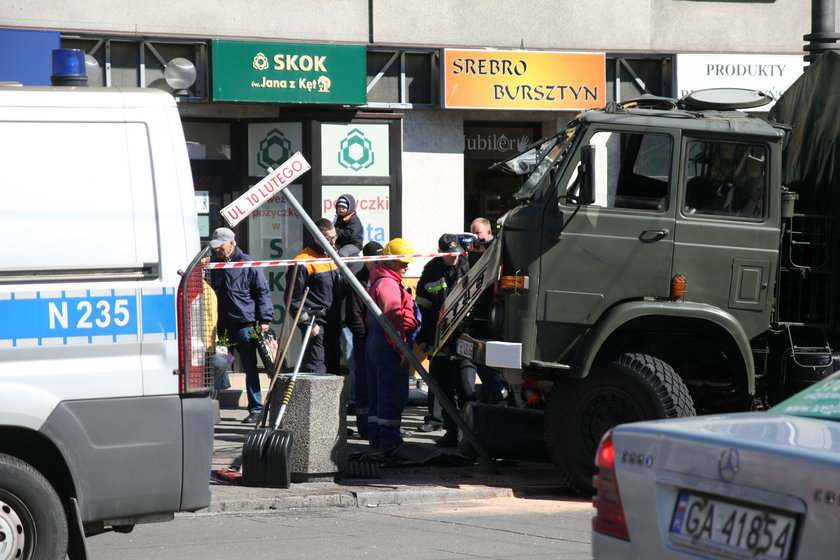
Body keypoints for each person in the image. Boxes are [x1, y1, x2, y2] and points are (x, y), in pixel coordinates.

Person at [208, 227, 274, 424]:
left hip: (245, 325)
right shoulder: (213, 263)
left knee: (249, 367)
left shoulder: (247, 263)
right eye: (215, 247)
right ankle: (213, 406)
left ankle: (256, 409)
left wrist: (264, 320)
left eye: (220, 247)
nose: (217, 250)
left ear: (231, 243)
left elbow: (262, 291)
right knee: (219, 365)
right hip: (223, 327)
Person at [416, 233, 476, 447]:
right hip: (438, 341)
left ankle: (470, 438)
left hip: (463, 340)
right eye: (450, 255)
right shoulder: (431, 270)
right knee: (444, 393)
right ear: (440, 253)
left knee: (466, 390)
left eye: (457, 254)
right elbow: (422, 307)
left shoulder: (469, 266)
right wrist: (422, 338)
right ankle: (451, 434)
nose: (454, 258)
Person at [365, 237, 421, 455]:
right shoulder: (388, 284)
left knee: (378, 392)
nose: (406, 267)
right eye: (402, 262)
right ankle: (389, 440)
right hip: (389, 344)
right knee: (391, 392)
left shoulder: (380, 277)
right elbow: (394, 319)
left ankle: (377, 437)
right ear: (389, 261)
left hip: (377, 341)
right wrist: (402, 349)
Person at [286, 218, 344, 374]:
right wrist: (308, 324)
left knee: (333, 370)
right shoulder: (303, 261)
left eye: (334, 237)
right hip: (316, 325)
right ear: (316, 237)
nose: (333, 242)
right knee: (317, 371)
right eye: (328, 238)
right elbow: (292, 299)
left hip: (333, 324)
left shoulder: (332, 256)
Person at [344, 240, 384, 439]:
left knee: (379, 384)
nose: (379, 264)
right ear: (366, 260)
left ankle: (377, 427)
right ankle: (365, 427)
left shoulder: (383, 278)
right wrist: (365, 339)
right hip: (365, 341)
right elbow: (354, 316)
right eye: (375, 260)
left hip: (380, 341)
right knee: (364, 385)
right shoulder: (358, 282)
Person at [469, 217, 507, 404]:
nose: (475, 237)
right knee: (479, 357)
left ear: (489, 233)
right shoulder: (472, 251)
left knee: (488, 358)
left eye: (478, 233)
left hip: (494, 314)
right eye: (472, 233)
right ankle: (493, 394)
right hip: (480, 313)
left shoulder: (496, 248)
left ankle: (497, 390)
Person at [334, 194, 364, 258]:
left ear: (349, 208)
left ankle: (341, 267)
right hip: (341, 243)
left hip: (354, 244)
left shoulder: (354, 220)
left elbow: (351, 235)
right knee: (329, 249)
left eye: (344, 207)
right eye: (339, 207)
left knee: (343, 252)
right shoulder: (338, 218)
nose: (341, 209)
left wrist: (336, 231)